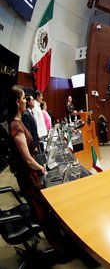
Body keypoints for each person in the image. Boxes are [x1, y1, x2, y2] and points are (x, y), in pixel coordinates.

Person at [7, 85, 68, 253]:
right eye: (24, 98)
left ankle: (60, 242)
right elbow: (27, 159)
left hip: (31, 173)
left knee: (45, 209)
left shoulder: (19, 121)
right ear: (17, 102)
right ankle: (60, 248)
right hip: (28, 176)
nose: (27, 100)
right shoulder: (15, 126)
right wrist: (41, 167)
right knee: (43, 212)